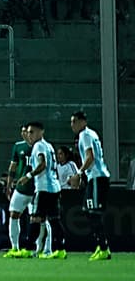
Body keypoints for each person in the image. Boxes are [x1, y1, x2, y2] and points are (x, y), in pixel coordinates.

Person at [70, 110, 112, 261]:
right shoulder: (91, 133)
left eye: (74, 121)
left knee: (93, 213)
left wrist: (79, 174)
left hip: (97, 177)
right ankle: (101, 246)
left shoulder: (85, 135)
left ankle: (104, 248)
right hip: (95, 177)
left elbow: (90, 156)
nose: (72, 125)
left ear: (83, 122)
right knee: (88, 211)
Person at [21, 120, 65, 259]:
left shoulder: (39, 146)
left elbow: (43, 164)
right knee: (54, 220)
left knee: (35, 219)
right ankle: (60, 250)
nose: (30, 135)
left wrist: (28, 176)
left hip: (43, 188)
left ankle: (27, 249)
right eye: (28, 132)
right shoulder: (49, 146)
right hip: (54, 187)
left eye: (32, 132)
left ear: (41, 132)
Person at [3, 124, 36, 258]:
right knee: (13, 214)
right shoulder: (18, 146)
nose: (24, 134)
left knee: (39, 219)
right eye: (22, 131)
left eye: (27, 131)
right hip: (21, 188)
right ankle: (15, 247)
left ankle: (42, 248)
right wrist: (9, 185)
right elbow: (13, 166)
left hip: (36, 188)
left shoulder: (39, 146)